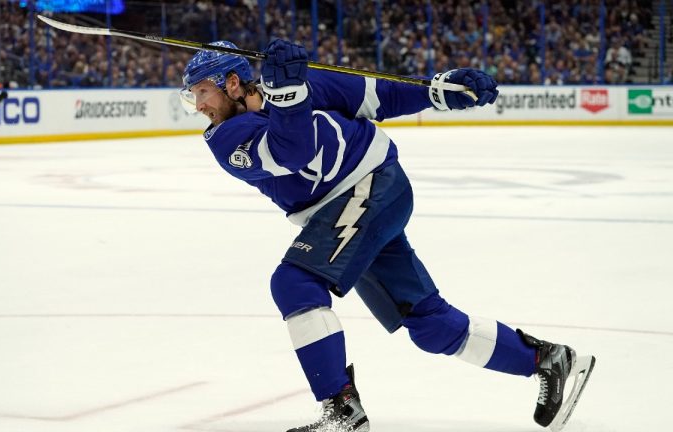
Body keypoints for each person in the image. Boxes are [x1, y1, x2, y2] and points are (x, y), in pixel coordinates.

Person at [180, 39, 595, 432]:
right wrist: (289, 96)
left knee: (295, 282)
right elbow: (292, 151)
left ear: (232, 82)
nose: (198, 106)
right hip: (349, 212)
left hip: (374, 186)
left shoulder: (304, 87)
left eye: (202, 92)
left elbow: (376, 94)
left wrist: (440, 91)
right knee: (430, 324)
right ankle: (546, 359)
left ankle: (342, 409)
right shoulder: (225, 139)